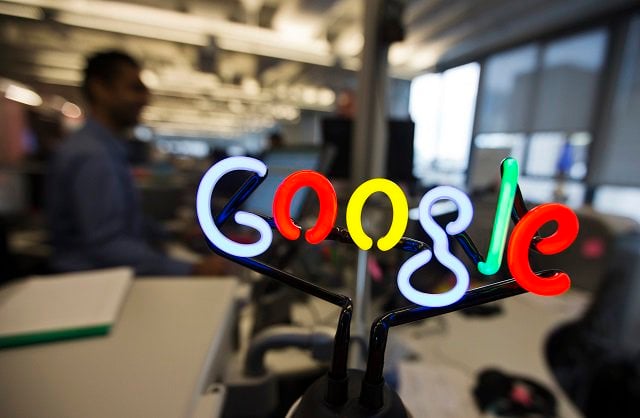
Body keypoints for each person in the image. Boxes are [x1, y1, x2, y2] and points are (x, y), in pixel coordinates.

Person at [46, 50, 226, 276]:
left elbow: (123, 222)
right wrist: (193, 269)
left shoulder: (105, 149)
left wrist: (172, 233)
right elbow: (107, 245)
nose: (145, 98)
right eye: (135, 88)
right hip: (90, 287)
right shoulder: (92, 155)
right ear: (99, 88)